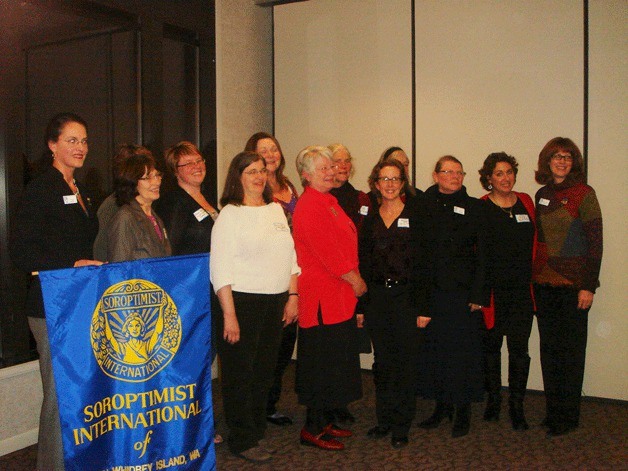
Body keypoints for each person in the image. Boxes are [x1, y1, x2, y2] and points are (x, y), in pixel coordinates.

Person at [10, 112, 103, 470]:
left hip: (79, 301)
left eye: (83, 141)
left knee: (77, 392)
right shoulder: (41, 188)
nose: (80, 148)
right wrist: (72, 263)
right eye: (71, 140)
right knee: (61, 394)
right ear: (52, 145)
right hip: (51, 305)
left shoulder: (81, 189)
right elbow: (21, 251)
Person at [210, 151, 300, 463]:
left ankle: (256, 431)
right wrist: (229, 315)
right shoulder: (229, 215)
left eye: (262, 170)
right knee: (239, 376)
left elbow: (291, 257)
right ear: (238, 177)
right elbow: (219, 270)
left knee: (264, 373)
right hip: (242, 303)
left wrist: (292, 296)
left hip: (275, 301)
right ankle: (242, 439)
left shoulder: (276, 210)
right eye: (251, 171)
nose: (259, 176)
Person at [292, 146, 366, 451]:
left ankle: (325, 421)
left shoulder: (329, 200)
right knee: (319, 366)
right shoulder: (309, 205)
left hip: (338, 297)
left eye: (330, 167)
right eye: (322, 168)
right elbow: (329, 254)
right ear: (306, 176)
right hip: (322, 298)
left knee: (333, 364)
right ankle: (311, 429)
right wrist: (356, 281)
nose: (330, 171)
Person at [532, 137, 603, 438]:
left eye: (567, 157)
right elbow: (541, 241)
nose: (561, 161)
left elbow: (596, 245)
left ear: (574, 162)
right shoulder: (542, 194)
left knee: (571, 354)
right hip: (545, 285)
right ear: (547, 161)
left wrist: (588, 286)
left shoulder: (585, 194)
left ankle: (568, 416)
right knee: (549, 351)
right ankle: (552, 412)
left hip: (575, 287)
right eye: (556, 156)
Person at [155, 141, 222, 444]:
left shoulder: (206, 198)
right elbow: (171, 252)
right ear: (175, 171)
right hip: (190, 294)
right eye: (187, 163)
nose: (197, 166)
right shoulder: (173, 202)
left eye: (199, 160)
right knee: (190, 361)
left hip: (213, 289)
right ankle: (186, 429)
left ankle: (200, 423)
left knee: (205, 359)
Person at [416, 155, 488, 438]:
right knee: (436, 351)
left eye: (459, 172)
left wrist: (479, 294)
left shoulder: (474, 208)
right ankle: (441, 407)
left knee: (462, 355)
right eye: (448, 172)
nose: (455, 177)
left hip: (463, 294)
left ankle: (462, 412)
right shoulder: (421, 205)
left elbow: (483, 255)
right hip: (432, 293)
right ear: (435, 176)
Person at [359, 159, 422, 448]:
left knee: (405, 362)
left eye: (395, 178)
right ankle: (384, 419)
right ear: (375, 183)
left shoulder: (418, 214)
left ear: (403, 182)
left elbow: (427, 264)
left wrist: (425, 307)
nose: (390, 184)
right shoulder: (369, 219)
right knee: (383, 361)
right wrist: (361, 306)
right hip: (377, 299)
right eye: (384, 179)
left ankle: (401, 423)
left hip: (407, 298)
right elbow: (363, 264)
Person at [478, 152, 536, 430]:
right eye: (498, 173)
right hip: (492, 293)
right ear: (488, 178)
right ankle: (493, 401)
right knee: (491, 349)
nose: (505, 177)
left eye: (509, 172)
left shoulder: (526, 202)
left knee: (519, 350)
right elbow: (475, 254)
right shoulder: (481, 207)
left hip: (521, 291)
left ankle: (517, 405)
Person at [244, 132, 299, 426]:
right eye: (263, 151)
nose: (271, 155)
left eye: (274, 149)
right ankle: (256, 407)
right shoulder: (257, 189)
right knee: (267, 346)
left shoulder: (289, 184)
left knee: (284, 344)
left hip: (292, 271)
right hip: (269, 276)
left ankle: (270, 403)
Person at [107, 151, 171, 262]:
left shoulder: (155, 217)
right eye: (147, 178)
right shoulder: (125, 217)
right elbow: (119, 267)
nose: (156, 182)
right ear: (132, 182)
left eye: (157, 175)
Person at [93, 144, 153, 261]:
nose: (154, 181)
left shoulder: (144, 204)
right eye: (146, 176)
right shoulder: (114, 206)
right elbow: (102, 251)